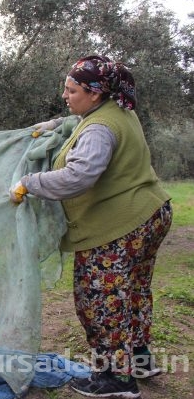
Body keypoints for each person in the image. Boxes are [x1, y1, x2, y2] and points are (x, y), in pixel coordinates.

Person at [9, 55, 172, 399]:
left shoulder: (99, 128)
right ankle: (139, 359)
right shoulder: (115, 110)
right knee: (134, 291)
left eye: (71, 90)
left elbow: (79, 175)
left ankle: (117, 378)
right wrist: (54, 125)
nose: (65, 96)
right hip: (151, 212)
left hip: (120, 226)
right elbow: (75, 125)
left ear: (94, 93)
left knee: (100, 298)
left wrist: (29, 182)